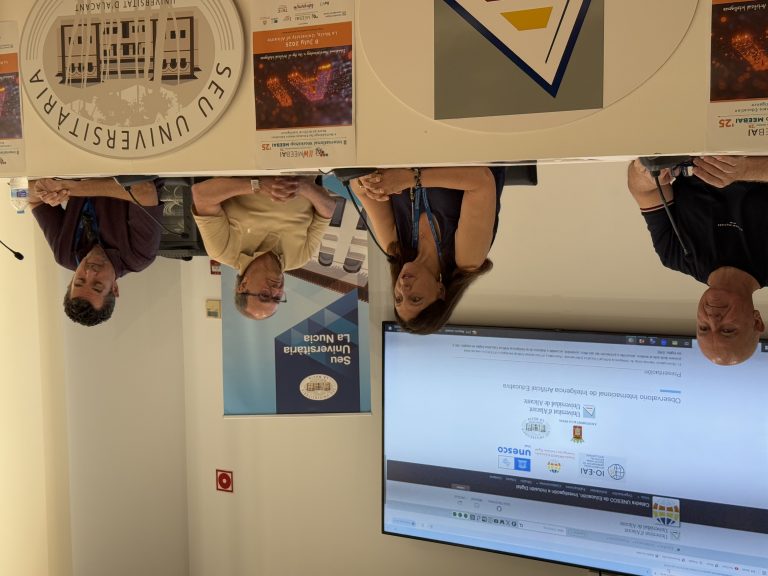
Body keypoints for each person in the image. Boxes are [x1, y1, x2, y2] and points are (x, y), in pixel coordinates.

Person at [627, 156, 768, 365]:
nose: (713, 319)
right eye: (728, 330)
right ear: (756, 321)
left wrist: (646, 175)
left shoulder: (674, 254)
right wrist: (745, 169)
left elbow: (644, 191)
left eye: (703, 327)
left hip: (691, 145)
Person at [351, 167, 505, 334]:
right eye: (415, 298)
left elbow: (359, 189)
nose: (403, 288)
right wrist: (412, 179)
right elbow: (481, 181)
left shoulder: (394, 248)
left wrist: (367, 182)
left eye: (398, 298)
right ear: (440, 292)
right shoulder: (467, 260)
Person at [191, 176, 335, 320]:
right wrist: (303, 186)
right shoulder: (299, 258)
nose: (277, 290)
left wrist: (257, 185)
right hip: (302, 169)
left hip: (250, 166)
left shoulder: (222, 251)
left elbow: (201, 195)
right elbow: (328, 210)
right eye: (277, 298)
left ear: (243, 286)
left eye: (265, 295)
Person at [29, 177, 163, 327]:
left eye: (80, 281)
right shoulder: (138, 256)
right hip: (127, 165)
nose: (90, 272)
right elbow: (143, 188)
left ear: (71, 281)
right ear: (114, 288)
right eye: (97, 285)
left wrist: (48, 192)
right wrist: (70, 188)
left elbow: (27, 195)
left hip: (75, 168)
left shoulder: (64, 255)